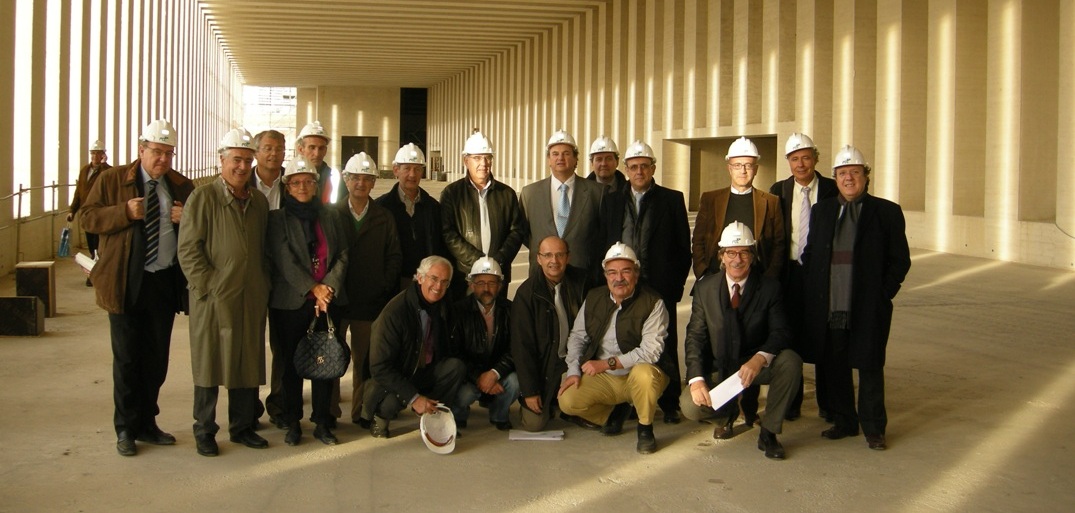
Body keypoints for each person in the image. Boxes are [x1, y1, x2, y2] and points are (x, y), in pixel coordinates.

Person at [82, 120, 193, 457]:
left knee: (156, 358)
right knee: (128, 359)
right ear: (141, 149)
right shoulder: (112, 180)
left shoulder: (181, 186)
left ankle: (147, 422)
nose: (163, 159)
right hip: (126, 281)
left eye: (169, 153)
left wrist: (187, 220)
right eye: (157, 152)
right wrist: (123, 212)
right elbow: (87, 217)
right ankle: (126, 428)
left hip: (162, 281)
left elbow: (199, 231)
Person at [802, 144, 911, 451]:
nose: (848, 178)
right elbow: (811, 252)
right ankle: (844, 421)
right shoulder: (822, 211)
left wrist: (882, 294)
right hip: (831, 304)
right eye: (842, 173)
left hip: (866, 307)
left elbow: (900, 260)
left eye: (854, 172)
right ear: (835, 178)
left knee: (870, 366)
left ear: (866, 176)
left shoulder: (887, 212)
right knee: (835, 365)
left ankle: (874, 428)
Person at [177, 127, 271, 457]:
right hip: (213, 300)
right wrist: (208, 287)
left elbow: (264, 249)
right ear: (222, 160)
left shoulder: (258, 202)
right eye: (236, 160)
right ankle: (204, 430)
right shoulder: (203, 198)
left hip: (250, 297)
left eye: (247, 160)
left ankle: (242, 427)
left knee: (246, 361)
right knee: (209, 363)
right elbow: (188, 250)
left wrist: (262, 285)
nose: (242, 167)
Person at [680, 222, 801, 460]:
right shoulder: (705, 289)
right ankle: (726, 415)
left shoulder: (769, 288)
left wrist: (760, 358)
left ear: (753, 257)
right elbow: (695, 337)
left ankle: (768, 432)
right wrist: (696, 380)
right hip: (720, 365)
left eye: (744, 252)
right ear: (721, 257)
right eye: (731, 253)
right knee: (690, 407)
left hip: (753, 365)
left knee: (790, 362)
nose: (737, 259)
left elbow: (781, 332)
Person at [598, 140, 692, 425]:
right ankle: (627, 400)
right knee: (623, 341)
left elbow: (682, 248)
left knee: (665, 343)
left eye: (644, 166)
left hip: (659, 286)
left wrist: (675, 288)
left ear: (653, 168)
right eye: (634, 167)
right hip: (624, 284)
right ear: (626, 169)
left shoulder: (671, 199)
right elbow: (603, 242)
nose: (639, 171)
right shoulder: (612, 201)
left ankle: (670, 401)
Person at [558, 243, 672, 454]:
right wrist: (573, 371)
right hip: (607, 379)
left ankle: (645, 428)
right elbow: (577, 337)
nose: (619, 278)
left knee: (645, 375)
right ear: (605, 276)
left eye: (625, 271)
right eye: (612, 272)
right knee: (567, 400)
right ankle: (614, 413)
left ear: (636, 274)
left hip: (637, 373)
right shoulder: (594, 297)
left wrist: (606, 364)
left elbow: (650, 352)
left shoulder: (653, 302)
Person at [266, 158, 350, 446]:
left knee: (324, 360)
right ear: (287, 187)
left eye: (308, 181)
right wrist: (313, 288)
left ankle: (322, 422)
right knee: (290, 364)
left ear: (316, 185)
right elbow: (284, 259)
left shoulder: (331, 216)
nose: (303, 186)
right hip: (291, 303)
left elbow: (342, 254)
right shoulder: (277, 219)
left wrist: (328, 288)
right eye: (296, 182)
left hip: (327, 302)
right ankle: (292, 422)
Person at [768, 133, 838, 421]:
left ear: (816, 159)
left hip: (823, 274)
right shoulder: (779, 190)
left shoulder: (832, 189)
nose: (801, 164)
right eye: (795, 158)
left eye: (806, 157)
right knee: (789, 336)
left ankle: (829, 404)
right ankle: (792, 402)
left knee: (826, 338)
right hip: (790, 275)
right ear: (788, 162)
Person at [364, 256, 466, 438]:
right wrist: (414, 398)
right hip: (397, 375)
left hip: (425, 369)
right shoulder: (395, 312)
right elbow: (379, 367)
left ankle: (434, 418)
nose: (439, 287)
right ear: (420, 278)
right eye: (434, 278)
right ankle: (380, 419)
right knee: (390, 402)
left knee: (455, 367)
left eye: (445, 282)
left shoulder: (443, 305)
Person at [337, 152, 402, 428]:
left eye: (366, 178)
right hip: (338, 301)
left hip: (368, 302)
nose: (360, 183)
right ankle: (329, 412)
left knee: (364, 361)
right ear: (346, 180)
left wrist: (382, 286)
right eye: (355, 178)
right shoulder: (332, 214)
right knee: (334, 357)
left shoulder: (383, 217)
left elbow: (394, 256)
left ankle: (360, 412)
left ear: (374, 182)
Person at [440, 130, 526, 299]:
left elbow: (517, 231)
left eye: (488, 157)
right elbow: (448, 233)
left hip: (498, 274)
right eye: (477, 158)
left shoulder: (507, 194)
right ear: (466, 161)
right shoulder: (452, 194)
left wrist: (497, 261)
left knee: (497, 315)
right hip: (465, 276)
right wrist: (478, 261)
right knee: (465, 314)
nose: (483, 163)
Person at [692, 136, 785, 280]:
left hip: (758, 279)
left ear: (756, 169)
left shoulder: (771, 202)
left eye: (748, 165)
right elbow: (698, 240)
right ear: (729, 169)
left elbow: (779, 244)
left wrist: (769, 278)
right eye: (737, 165)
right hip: (715, 277)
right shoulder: (710, 199)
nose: (743, 170)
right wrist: (703, 273)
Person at [520, 129, 605, 276]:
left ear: (576, 159)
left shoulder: (597, 192)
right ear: (548, 160)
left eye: (566, 153)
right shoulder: (529, 194)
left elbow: (602, 234)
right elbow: (524, 233)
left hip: (583, 273)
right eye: (555, 154)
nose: (560, 158)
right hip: (542, 273)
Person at [448, 257, 518, 430]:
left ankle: (499, 414)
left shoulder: (511, 310)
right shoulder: (458, 311)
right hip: (470, 375)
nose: (486, 289)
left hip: (498, 373)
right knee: (465, 393)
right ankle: (458, 415)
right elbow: (454, 352)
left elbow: (516, 348)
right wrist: (479, 377)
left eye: (492, 283)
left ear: (500, 285)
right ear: (471, 285)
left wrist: (495, 373)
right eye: (480, 283)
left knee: (515, 382)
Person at [377, 143, 449, 291]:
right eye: (407, 168)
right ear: (396, 170)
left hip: (426, 283)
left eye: (417, 169)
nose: (412, 174)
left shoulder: (433, 207)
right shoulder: (381, 208)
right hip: (393, 284)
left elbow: (441, 246)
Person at [68, 139, 111, 283]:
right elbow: (79, 192)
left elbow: (108, 180)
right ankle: (93, 272)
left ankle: (96, 275)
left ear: (103, 155)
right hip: (87, 214)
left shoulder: (107, 170)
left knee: (100, 245)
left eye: (98, 153)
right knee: (92, 246)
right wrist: (72, 210)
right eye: (92, 153)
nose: (94, 156)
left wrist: (103, 165)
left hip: (100, 214)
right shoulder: (84, 171)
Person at [296, 120, 342, 204]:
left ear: (325, 151)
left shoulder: (335, 179)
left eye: (321, 148)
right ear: (300, 149)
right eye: (312, 147)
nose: (317, 154)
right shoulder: (290, 178)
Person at [250, 129, 286, 210]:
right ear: (255, 153)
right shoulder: (244, 181)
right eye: (268, 149)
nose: (274, 153)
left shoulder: (292, 181)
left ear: (284, 154)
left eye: (279, 149)